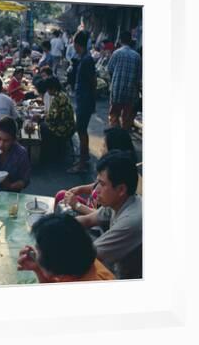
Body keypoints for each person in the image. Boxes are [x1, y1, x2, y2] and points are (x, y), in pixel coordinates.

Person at [75, 151, 142, 279]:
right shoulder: (118, 201)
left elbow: (89, 256)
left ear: (121, 189)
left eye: (102, 184)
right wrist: (57, 226)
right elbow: (88, 220)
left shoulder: (131, 221)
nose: (95, 190)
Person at [57, 127, 138, 215]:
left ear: (113, 149)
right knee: (61, 195)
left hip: (93, 215)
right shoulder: (107, 168)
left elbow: (102, 217)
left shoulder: (116, 183)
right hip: (90, 208)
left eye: (104, 146)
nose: (101, 149)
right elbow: (96, 185)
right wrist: (80, 189)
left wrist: (77, 205)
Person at [17, 214, 114, 283]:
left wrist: (42, 270)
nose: (35, 252)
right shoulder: (82, 259)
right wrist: (39, 269)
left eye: (38, 250)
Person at [68, 30, 97, 173]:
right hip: (83, 99)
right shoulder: (84, 58)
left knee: (81, 130)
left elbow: (93, 81)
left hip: (85, 100)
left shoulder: (87, 60)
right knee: (81, 130)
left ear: (77, 44)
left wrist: (90, 101)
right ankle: (83, 159)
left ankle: (82, 163)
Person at [107, 31, 142, 130]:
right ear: (130, 40)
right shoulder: (137, 56)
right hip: (131, 93)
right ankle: (124, 137)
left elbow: (109, 69)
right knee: (126, 119)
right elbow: (139, 76)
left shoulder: (116, 53)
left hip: (117, 90)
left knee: (114, 116)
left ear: (120, 40)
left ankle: (114, 136)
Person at [39, 77, 75, 160]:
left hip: (64, 127)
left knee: (42, 126)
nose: (47, 91)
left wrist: (40, 117)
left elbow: (51, 117)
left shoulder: (57, 98)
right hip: (68, 124)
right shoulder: (62, 94)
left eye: (48, 89)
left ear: (53, 88)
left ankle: (49, 153)